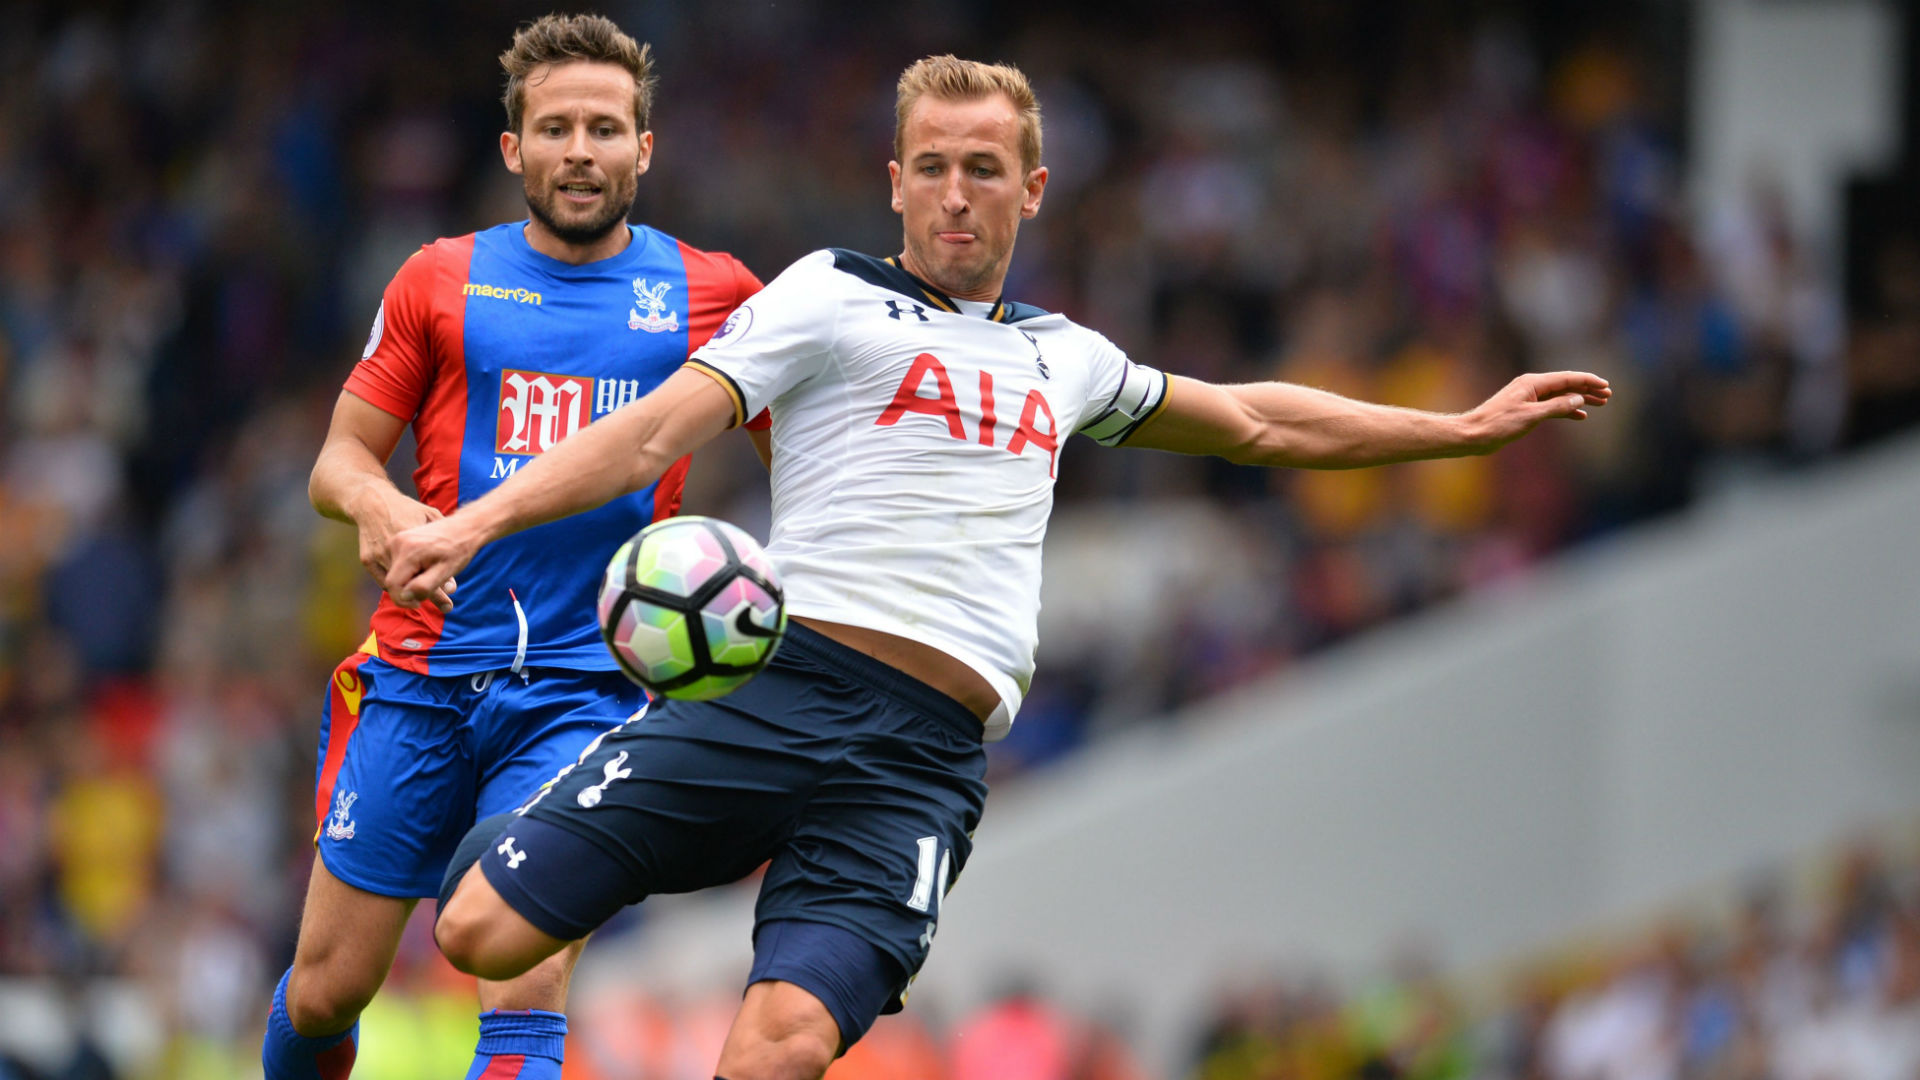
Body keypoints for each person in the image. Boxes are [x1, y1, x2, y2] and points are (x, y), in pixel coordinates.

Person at [385, 55, 1611, 1080]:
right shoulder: (829, 297)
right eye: (931, 168)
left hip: (921, 760)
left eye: (983, 171)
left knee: (784, 1048)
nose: (956, 196)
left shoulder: (1064, 357)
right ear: (896, 184)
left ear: (1032, 188)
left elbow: (1252, 422)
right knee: (483, 931)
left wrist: (1455, 429)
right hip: (775, 688)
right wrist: (471, 525)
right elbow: (652, 433)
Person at [261, 15, 765, 1080]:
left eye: (604, 128)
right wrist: (382, 509)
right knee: (324, 992)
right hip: (421, 674)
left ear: (644, 148)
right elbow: (338, 462)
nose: (580, 149)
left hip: (587, 692)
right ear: (513, 149)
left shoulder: (716, 295)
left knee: (524, 999)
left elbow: (809, 446)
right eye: (555, 128)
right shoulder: (439, 280)